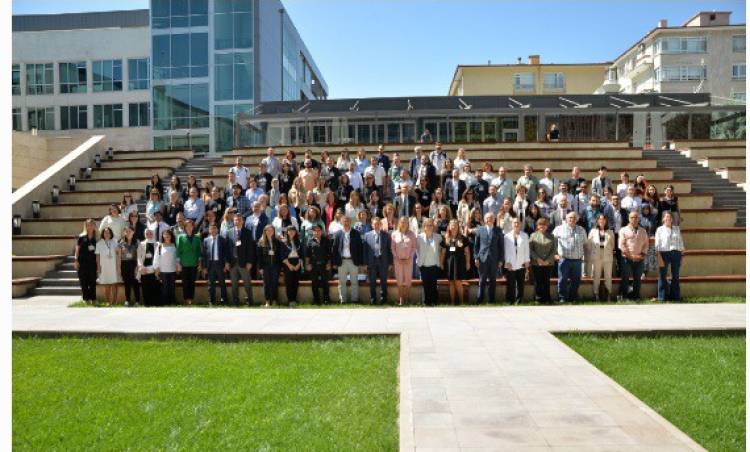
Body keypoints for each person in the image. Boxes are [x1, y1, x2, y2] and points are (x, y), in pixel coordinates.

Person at [552, 212, 587, 303]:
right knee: (562, 279)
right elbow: (552, 242)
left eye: (574, 217)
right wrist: (554, 254)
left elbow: (585, 243)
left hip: (577, 260)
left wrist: (584, 256)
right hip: (564, 259)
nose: (572, 219)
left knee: (576, 280)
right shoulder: (559, 229)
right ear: (566, 219)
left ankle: (573, 297)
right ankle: (562, 297)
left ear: (577, 219)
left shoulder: (581, 230)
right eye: (570, 217)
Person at [223, 214, 255, 306]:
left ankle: (250, 301)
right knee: (234, 284)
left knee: (247, 283)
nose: (237, 221)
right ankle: (235, 301)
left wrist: (249, 262)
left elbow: (250, 248)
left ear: (242, 221)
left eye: (239, 219)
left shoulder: (247, 232)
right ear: (233, 221)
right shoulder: (229, 232)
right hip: (232, 263)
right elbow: (226, 249)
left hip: (244, 262)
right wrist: (226, 262)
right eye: (236, 220)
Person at [618, 211, 649, 300]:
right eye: (632, 217)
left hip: (639, 259)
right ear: (629, 219)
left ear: (638, 219)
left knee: (638, 279)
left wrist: (642, 255)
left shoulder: (643, 231)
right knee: (625, 278)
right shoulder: (623, 230)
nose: (634, 219)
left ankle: (636, 296)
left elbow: (646, 244)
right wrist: (631, 256)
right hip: (626, 258)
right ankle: (624, 297)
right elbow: (621, 245)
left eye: (636, 217)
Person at [474, 213, 504, 304]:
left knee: (493, 280)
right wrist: (476, 258)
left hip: (494, 259)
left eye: (491, 218)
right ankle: (480, 299)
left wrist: (501, 260)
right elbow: (476, 246)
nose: (489, 219)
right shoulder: (480, 230)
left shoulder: (498, 230)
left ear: (494, 219)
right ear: (484, 219)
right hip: (482, 258)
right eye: (487, 218)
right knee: (482, 280)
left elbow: (501, 246)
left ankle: (491, 300)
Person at [331, 216, 363, 304]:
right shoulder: (338, 234)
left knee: (354, 281)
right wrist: (334, 262)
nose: (346, 223)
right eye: (344, 221)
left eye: (348, 221)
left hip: (353, 261)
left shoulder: (356, 233)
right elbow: (334, 248)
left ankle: (354, 299)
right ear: (341, 222)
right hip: (342, 261)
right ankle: (343, 300)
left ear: (350, 222)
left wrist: (360, 262)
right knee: (342, 282)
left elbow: (360, 248)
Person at [655, 211, 684, 302]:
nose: (668, 218)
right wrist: (659, 256)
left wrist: (682, 255)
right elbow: (657, 244)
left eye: (670, 217)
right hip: (664, 253)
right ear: (663, 219)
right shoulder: (660, 229)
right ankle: (662, 297)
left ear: (672, 219)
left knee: (676, 275)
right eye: (666, 217)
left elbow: (680, 242)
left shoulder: (677, 228)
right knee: (662, 275)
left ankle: (675, 297)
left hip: (676, 253)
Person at [362, 217, 392, 305]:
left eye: (378, 224)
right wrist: (365, 264)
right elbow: (365, 251)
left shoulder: (386, 235)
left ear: (381, 224)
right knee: (372, 281)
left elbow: (389, 250)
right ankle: (373, 299)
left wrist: (390, 263)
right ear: (372, 225)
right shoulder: (367, 235)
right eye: (375, 224)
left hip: (383, 261)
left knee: (383, 281)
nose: (376, 225)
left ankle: (384, 298)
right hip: (372, 261)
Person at [442, 219, 471, 305]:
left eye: (455, 225)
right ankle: (452, 302)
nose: (454, 227)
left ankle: (461, 302)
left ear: (458, 227)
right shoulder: (446, 238)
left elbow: (467, 252)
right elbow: (443, 252)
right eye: (452, 225)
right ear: (449, 227)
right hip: (449, 262)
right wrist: (441, 262)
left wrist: (468, 262)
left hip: (459, 262)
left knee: (458, 282)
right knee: (451, 283)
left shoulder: (463, 238)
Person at [587, 214, 615, 301]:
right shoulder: (593, 231)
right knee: (596, 276)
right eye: (600, 219)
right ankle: (596, 295)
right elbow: (589, 245)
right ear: (597, 221)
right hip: (596, 256)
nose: (602, 221)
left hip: (607, 256)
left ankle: (609, 294)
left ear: (606, 221)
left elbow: (612, 245)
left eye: (603, 219)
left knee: (608, 276)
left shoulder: (610, 232)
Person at [391, 216, 418, 306]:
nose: (404, 224)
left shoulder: (412, 234)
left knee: (408, 280)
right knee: (399, 280)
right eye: (402, 222)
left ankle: (407, 298)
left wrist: (410, 257)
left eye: (405, 222)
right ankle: (401, 299)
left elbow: (414, 247)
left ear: (408, 224)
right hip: (398, 261)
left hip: (408, 261)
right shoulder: (394, 234)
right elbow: (392, 248)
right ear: (399, 223)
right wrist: (397, 258)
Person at [202, 223, 230, 305]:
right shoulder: (206, 240)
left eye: (214, 228)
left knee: (222, 283)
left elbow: (226, 253)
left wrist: (226, 264)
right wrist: (204, 267)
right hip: (210, 264)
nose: (213, 230)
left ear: (217, 229)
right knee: (211, 284)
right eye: (211, 228)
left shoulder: (222, 239)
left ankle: (224, 300)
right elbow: (204, 255)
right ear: (209, 230)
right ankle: (211, 300)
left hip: (220, 264)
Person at [529, 218, 556, 304]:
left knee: (546, 281)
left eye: (544, 225)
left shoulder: (552, 236)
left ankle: (547, 298)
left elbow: (554, 250)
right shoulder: (533, 236)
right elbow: (530, 249)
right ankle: (538, 298)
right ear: (537, 226)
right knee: (538, 281)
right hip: (536, 263)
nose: (542, 226)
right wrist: (538, 259)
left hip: (548, 263)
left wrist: (547, 260)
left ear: (547, 226)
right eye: (540, 225)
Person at [504, 218, 530, 305]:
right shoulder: (506, 236)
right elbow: (505, 250)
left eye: (518, 223)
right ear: (512, 224)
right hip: (510, 263)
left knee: (520, 283)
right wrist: (507, 262)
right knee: (510, 283)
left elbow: (527, 249)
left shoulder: (525, 235)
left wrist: (527, 261)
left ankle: (519, 300)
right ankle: (510, 300)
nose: (516, 224)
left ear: (521, 224)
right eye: (514, 223)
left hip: (521, 262)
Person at [416, 218, 442, 306]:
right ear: (424, 227)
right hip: (423, 264)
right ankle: (426, 302)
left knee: (433, 284)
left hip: (434, 264)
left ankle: (434, 302)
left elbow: (442, 249)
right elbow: (416, 249)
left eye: (431, 225)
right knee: (425, 285)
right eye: (427, 225)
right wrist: (418, 259)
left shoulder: (438, 237)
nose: (429, 227)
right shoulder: (419, 237)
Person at [175, 219, 201, 306]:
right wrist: (178, 264)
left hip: (194, 263)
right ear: (185, 227)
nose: (189, 227)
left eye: (191, 226)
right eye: (187, 226)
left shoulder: (197, 238)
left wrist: (200, 263)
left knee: (192, 282)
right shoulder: (180, 237)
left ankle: (191, 299)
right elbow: (178, 251)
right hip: (184, 263)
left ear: (193, 227)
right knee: (185, 282)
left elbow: (199, 251)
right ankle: (187, 299)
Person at [305, 224, 332, 305]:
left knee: (325, 282)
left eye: (318, 230)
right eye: (315, 231)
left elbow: (329, 253)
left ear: (321, 231)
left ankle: (326, 299)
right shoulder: (309, 241)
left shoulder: (326, 240)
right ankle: (316, 300)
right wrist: (307, 264)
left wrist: (329, 263)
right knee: (314, 283)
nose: (317, 232)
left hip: (324, 265)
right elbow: (307, 255)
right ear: (312, 232)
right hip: (314, 265)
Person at [75, 219, 98, 304]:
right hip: (82, 263)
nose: (90, 227)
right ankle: (86, 299)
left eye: (91, 225)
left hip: (93, 263)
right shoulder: (81, 237)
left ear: (94, 226)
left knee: (92, 281)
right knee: (83, 281)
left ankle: (93, 299)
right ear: (85, 226)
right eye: (88, 225)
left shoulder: (97, 238)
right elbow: (77, 250)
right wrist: (76, 260)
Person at [96, 227, 120, 306]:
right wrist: (98, 267)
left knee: (114, 284)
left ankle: (114, 302)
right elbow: (97, 256)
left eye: (108, 232)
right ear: (103, 234)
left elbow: (118, 254)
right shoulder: (99, 243)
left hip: (113, 266)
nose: (107, 234)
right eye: (105, 232)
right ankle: (108, 302)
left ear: (111, 234)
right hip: (104, 266)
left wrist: (118, 266)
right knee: (106, 284)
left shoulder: (115, 242)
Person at [281, 226, 303, 307]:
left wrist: (299, 264)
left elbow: (301, 254)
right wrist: (289, 265)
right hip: (287, 262)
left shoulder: (299, 242)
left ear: (296, 232)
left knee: (295, 282)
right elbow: (282, 255)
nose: (291, 232)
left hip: (297, 262)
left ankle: (294, 299)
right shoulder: (283, 242)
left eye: (293, 230)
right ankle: (290, 300)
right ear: (287, 232)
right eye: (289, 231)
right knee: (289, 282)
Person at [153, 229, 177, 305]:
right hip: (163, 270)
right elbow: (156, 258)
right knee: (165, 287)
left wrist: (178, 266)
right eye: (165, 234)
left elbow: (177, 257)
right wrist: (156, 268)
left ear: (171, 236)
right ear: (162, 236)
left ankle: (172, 302)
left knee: (172, 287)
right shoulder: (160, 246)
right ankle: (165, 303)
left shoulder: (175, 245)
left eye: (168, 234)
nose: (166, 236)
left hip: (173, 270)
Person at [136, 228, 160, 306]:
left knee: (154, 286)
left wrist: (157, 268)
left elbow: (159, 257)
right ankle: (147, 304)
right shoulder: (141, 244)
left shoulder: (157, 244)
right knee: (145, 287)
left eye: (150, 233)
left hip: (154, 269)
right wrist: (141, 266)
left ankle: (154, 303)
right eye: (147, 233)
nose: (149, 235)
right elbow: (139, 257)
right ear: (144, 235)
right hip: (144, 269)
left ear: (153, 234)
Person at [118, 225, 140, 307]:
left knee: (135, 282)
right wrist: (119, 267)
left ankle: (137, 301)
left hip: (134, 263)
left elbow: (139, 255)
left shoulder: (137, 242)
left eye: (130, 231)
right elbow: (119, 256)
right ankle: (127, 300)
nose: (128, 233)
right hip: (124, 264)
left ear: (133, 232)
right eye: (126, 231)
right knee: (126, 283)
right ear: (124, 232)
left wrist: (137, 266)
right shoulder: (121, 242)